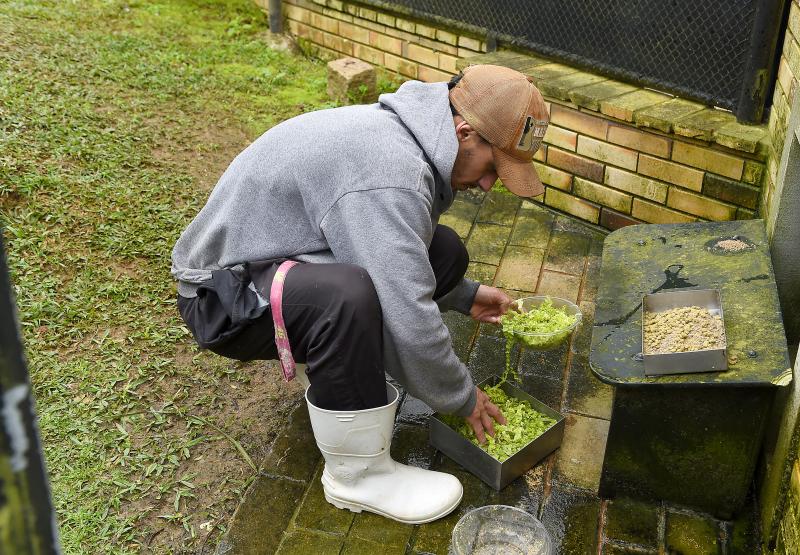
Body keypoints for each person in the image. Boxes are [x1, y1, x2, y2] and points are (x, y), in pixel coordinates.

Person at [170, 64, 551, 524]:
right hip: (225, 297)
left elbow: (398, 257)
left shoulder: (408, 134)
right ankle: (358, 476)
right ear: (464, 133)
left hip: (274, 264)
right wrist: (462, 397)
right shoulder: (391, 173)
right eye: (493, 168)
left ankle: (340, 371)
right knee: (347, 299)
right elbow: (407, 314)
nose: (489, 185)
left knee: (444, 249)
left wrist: (464, 296)